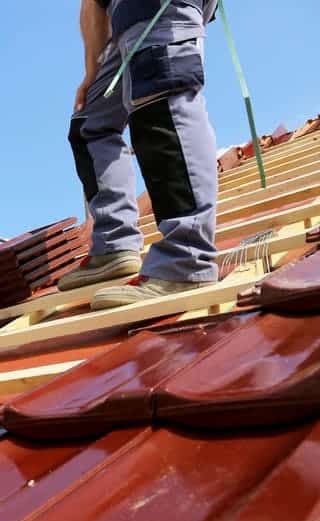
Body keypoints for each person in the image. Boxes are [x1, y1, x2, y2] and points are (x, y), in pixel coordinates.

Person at [60, 0, 220, 309]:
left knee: (159, 96)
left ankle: (186, 260)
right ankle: (114, 245)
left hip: (156, 9)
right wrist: (92, 73)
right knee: (89, 123)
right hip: (124, 21)